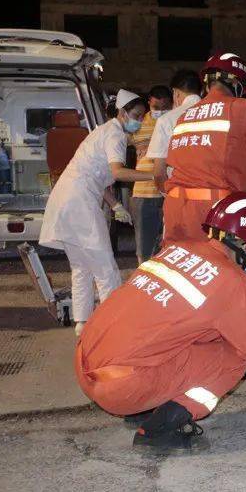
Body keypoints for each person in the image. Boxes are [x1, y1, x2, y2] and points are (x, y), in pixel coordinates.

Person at [74, 193, 246, 451]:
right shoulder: (233, 283)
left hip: (86, 363)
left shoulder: (178, 250)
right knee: (234, 358)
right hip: (120, 387)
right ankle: (159, 430)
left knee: (182, 340)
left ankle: (143, 407)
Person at [39, 90, 154, 336]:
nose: (139, 121)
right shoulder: (115, 135)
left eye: (142, 117)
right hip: (79, 201)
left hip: (66, 198)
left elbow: (99, 178)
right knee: (105, 267)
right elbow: (119, 172)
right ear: (122, 113)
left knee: (82, 267)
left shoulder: (101, 131)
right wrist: (156, 176)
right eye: (136, 115)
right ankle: (113, 326)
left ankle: (83, 324)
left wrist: (116, 205)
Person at [162, 53, 246, 242]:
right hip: (215, 211)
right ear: (237, 85)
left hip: (175, 207)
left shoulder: (186, 115)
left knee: (179, 267)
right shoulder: (241, 108)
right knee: (223, 268)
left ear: (207, 83)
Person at [130, 85, 173, 264]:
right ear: (149, 103)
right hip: (143, 191)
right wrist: (137, 145)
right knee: (144, 246)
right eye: (156, 108)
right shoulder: (138, 123)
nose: (160, 112)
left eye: (165, 108)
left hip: (170, 191)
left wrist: (153, 146)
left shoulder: (175, 120)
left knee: (169, 244)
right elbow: (119, 137)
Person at [145, 70, 203, 198]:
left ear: (175, 93)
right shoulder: (218, 114)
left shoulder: (167, 119)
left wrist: (167, 195)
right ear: (202, 92)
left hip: (179, 197)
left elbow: (159, 172)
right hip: (214, 198)